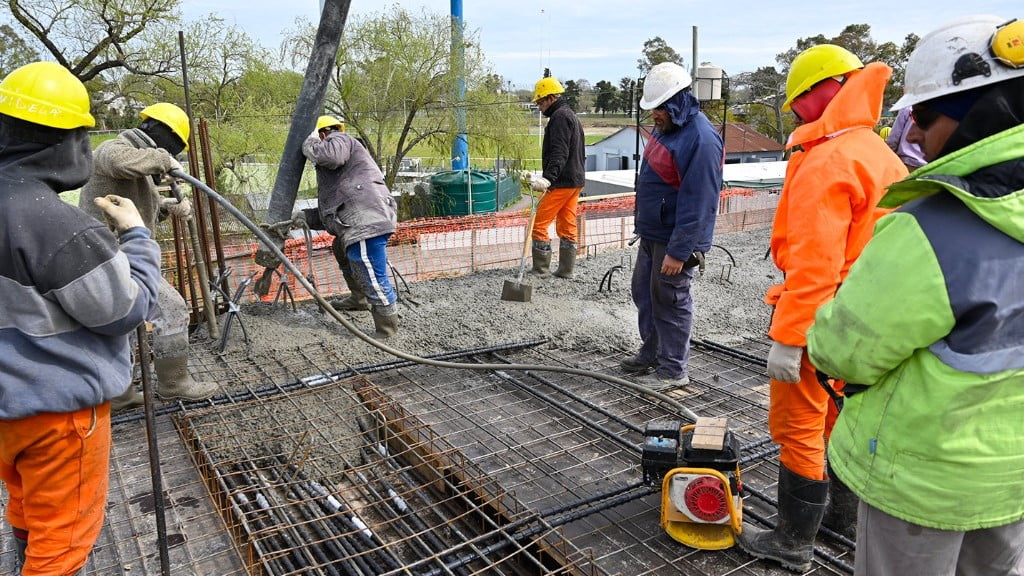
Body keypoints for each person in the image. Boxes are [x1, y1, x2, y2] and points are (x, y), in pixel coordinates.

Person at [807, 15, 1024, 576]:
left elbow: (844, 350)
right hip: (1012, 475)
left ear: (985, 110)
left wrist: (802, 331)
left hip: (923, 476)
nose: (917, 134)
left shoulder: (931, 228)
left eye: (924, 115)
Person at [736, 45, 907, 571]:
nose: (794, 114)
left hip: (822, 318)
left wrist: (789, 337)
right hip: (867, 317)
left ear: (822, 91)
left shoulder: (828, 159)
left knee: (798, 425)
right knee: (841, 419)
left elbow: (815, 265)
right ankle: (842, 521)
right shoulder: (876, 152)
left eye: (796, 104)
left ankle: (793, 543)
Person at [0, 62, 161, 575]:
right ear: (69, 143)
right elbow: (126, 310)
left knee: (28, 504)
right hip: (57, 414)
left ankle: (23, 552)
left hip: (7, 405)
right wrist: (137, 237)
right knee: (64, 543)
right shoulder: (54, 224)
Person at [79, 102, 219, 410]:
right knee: (173, 309)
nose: (175, 153)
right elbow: (118, 163)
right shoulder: (113, 149)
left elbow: (143, 205)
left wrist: (169, 207)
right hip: (113, 256)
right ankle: (173, 384)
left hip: (112, 256)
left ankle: (119, 394)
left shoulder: (138, 166)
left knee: (124, 324)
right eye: (176, 146)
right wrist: (162, 158)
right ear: (161, 132)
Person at [619, 62, 723, 391]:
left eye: (658, 109)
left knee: (671, 300)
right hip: (653, 233)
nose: (654, 116)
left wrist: (680, 252)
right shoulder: (669, 129)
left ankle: (673, 369)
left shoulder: (701, 140)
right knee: (645, 295)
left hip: (674, 239)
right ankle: (652, 353)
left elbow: (700, 202)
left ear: (676, 102)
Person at [297, 115, 400, 339]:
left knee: (369, 271)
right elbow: (332, 213)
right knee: (340, 247)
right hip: (360, 218)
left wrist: (310, 142)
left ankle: (386, 330)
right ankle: (359, 299)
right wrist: (302, 217)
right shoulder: (343, 174)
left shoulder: (339, 139)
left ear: (323, 134)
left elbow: (331, 155)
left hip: (366, 220)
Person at [528, 70, 586, 279]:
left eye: (541, 102)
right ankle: (566, 270)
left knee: (540, 223)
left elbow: (559, 151)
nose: (539, 106)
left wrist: (548, 179)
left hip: (561, 182)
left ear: (551, 98)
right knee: (567, 224)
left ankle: (540, 269)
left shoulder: (559, 118)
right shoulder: (571, 116)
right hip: (575, 180)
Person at [886, 105, 927, 172]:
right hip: (928, 166)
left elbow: (894, 137)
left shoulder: (908, 108)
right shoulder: (938, 111)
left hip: (905, 163)